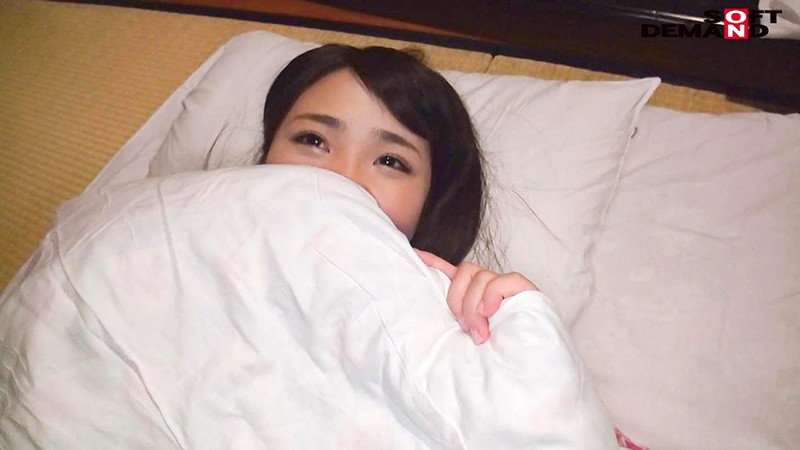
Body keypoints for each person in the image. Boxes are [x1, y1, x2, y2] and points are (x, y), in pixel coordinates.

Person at [259, 44, 537, 345]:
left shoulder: (452, 338)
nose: (342, 180)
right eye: (312, 140)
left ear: (431, 204)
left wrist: (526, 344)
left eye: (390, 161)